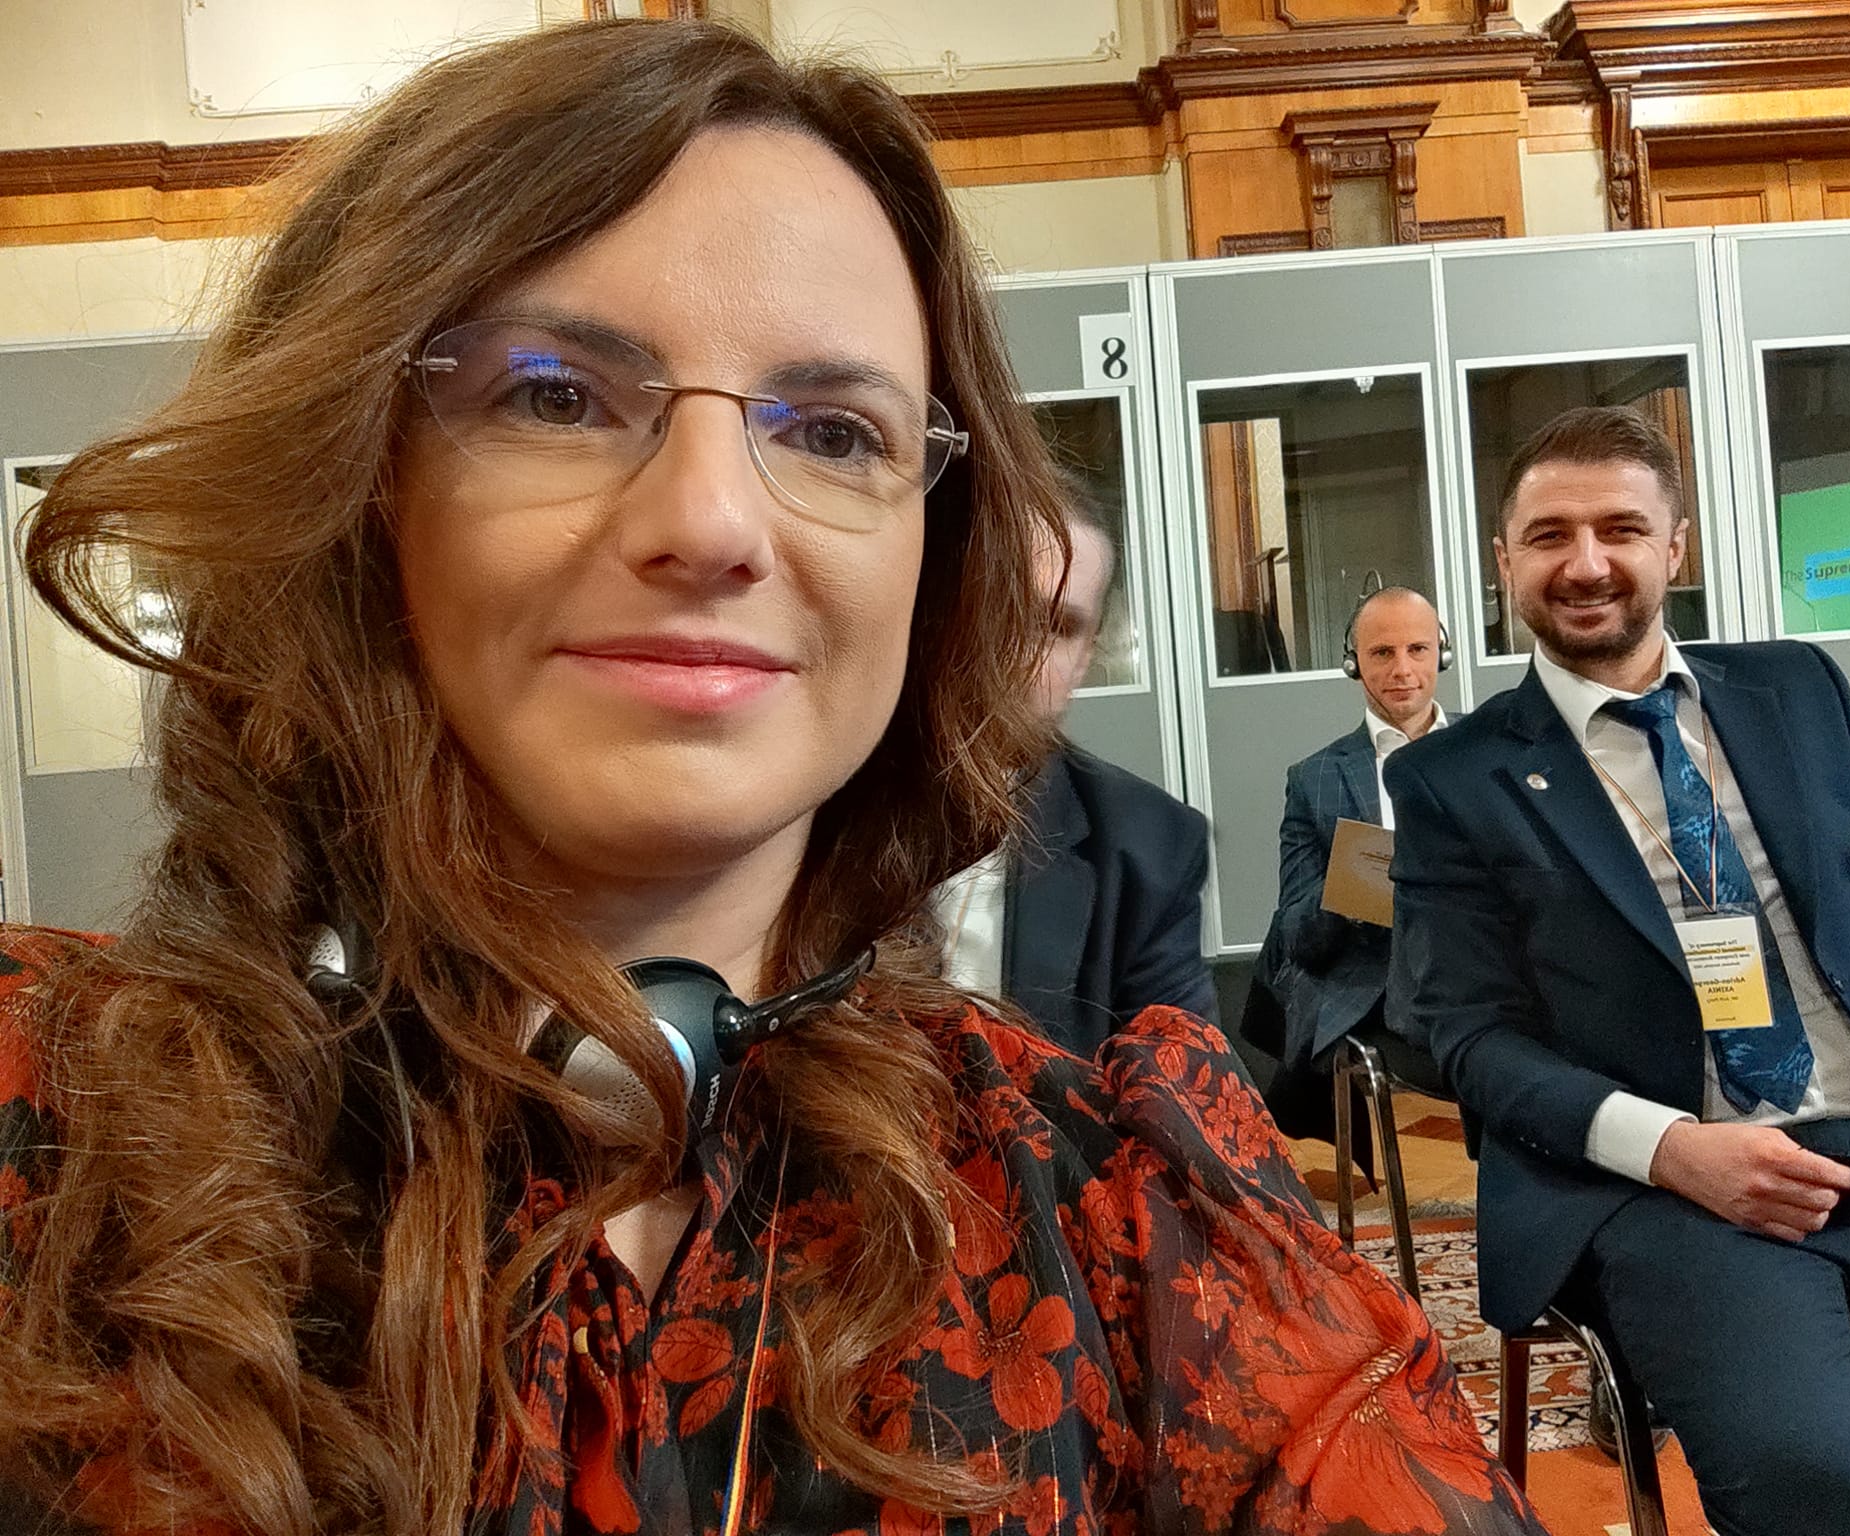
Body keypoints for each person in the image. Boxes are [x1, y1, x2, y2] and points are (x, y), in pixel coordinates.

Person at [0, 22, 1546, 1536]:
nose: (713, 523)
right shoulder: (48, 1143)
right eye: (555, 394)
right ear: (353, 482)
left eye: (833, 432)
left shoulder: (1124, 1223)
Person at [1386, 406, 1850, 1536]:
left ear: (1674, 547)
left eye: (1619, 529)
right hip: (1681, 1186)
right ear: (1504, 562)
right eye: (1548, 535)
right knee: (1813, 1484)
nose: (1585, 563)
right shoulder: (1455, 777)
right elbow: (1470, 1037)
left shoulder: (1797, 690)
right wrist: (1671, 1150)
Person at [933, 475, 1215, 1055]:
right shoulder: (804, 802)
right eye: (998, 604)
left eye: (1057, 627)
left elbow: (1179, 1090)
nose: (1017, 650)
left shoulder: (1151, 851)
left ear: (1084, 659)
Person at [1244, 587, 1451, 1139]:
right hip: (1382, 985)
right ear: (1353, 663)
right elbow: (1296, 934)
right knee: (1499, 1060)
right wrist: (1350, 887)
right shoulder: (1315, 779)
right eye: (1382, 653)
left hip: (1487, 971)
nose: (1402, 670)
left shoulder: (1488, 749)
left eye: (1418, 649)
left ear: (1442, 654)